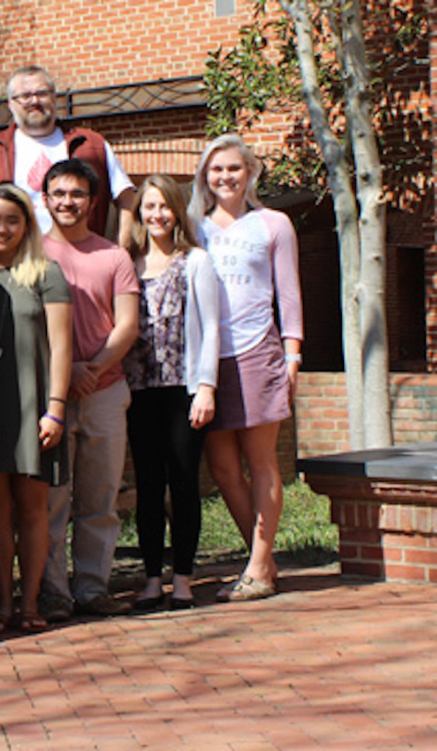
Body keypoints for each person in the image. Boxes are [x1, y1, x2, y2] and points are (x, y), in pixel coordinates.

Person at [187, 133, 303, 602]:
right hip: (209, 360)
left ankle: (256, 566)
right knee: (222, 468)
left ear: (249, 171)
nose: (225, 177)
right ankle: (264, 559)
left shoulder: (273, 224)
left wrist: (292, 356)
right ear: (205, 176)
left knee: (261, 462)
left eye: (234, 168)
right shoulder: (194, 227)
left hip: (259, 350)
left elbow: (289, 296)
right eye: (216, 170)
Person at [38, 158, 139, 622]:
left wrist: (91, 368)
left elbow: (127, 326)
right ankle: (53, 591)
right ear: (45, 199)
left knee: (99, 500)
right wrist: (66, 373)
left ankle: (93, 587)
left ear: (92, 202)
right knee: (52, 500)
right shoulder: (30, 255)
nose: (67, 202)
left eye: (77, 194)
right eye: (59, 193)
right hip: (50, 398)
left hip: (104, 391)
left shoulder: (113, 257)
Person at [0, 184, 72, 632]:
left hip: (34, 404)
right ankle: (2, 607)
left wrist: (56, 409)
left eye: (13, 219)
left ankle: (30, 605)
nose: (2, 228)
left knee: (33, 510)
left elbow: (63, 347)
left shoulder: (46, 273)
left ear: (27, 225)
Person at [122, 175, 220, 612]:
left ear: (177, 211)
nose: (156, 215)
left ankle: (183, 578)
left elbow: (212, 326)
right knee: (148, 485)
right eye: (149, 207)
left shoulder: (195, 260)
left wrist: (207, 388)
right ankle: (151, 579)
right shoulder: (129, 262)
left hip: (183, 389)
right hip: (138, 390)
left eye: (164, 206)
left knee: (182, 483)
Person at [0, 65, 136, 242]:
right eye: (25, 96)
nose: (34, 101)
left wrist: (120, 249)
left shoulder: (91, 145)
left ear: (55, 98)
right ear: (11, 104)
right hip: (15, 261)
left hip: (80, 258)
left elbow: (127, 199)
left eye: (42, 93)